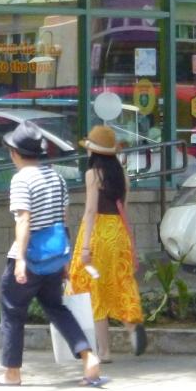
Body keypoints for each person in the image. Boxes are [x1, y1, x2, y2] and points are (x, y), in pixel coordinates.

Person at [0, 122, 104, 388]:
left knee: (12, 310)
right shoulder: (57, 178)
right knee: (57, 308)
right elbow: (62, 220)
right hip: (55, 257)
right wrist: (64, 260)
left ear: (14, 153)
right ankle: (88, 357)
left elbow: (24, 219)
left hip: (30, 257)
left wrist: (20, 260)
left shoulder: (21, 179)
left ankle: (12, 373)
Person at [68, 125, 147, 361]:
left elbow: (91, 209)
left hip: (98, 235)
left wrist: (85, 246)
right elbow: (124, 207)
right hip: (119, 233)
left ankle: (104, 350)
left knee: (95, 289)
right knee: (121, 281)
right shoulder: (122, 175)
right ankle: (132, 326)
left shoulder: (93, 174)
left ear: (94, 151)